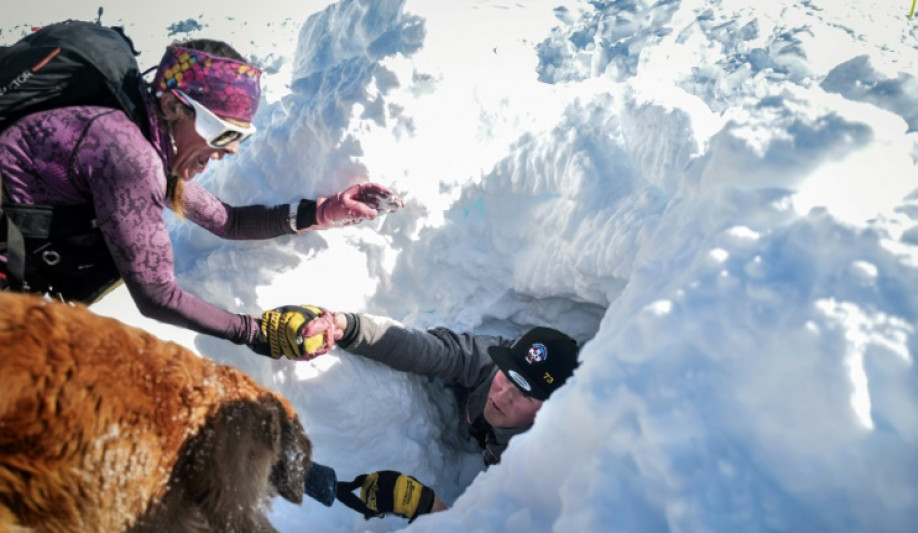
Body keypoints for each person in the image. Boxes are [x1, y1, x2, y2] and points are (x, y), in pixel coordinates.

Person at [0, 39, 400, 360]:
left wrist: (325, 210)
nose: (230, 151)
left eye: (239, 138)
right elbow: (157, 296)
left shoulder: (143, 136)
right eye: (222, 132)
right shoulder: (128, 156)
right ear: (174, 105)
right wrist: (257, 334)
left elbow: (229, 221)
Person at [300, 308, 581, 521]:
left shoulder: (544, 464)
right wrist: (347, 327)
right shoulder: (491, 365)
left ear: (552, 407)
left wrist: (430, 508)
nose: (503, 394)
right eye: (506, 375)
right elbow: (429, 350)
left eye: (524, 392)